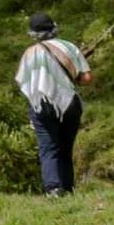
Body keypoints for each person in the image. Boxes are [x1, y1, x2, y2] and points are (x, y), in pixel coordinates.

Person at [14, 13, 92, 195]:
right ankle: (68, 187)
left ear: (32, 34)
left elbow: (22, 81)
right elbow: (87, 78)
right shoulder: (69, 47)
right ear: (53, 28)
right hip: (69, 103)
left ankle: (53, 189)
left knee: (48, 146)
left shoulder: (29, 54)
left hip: (41, 104)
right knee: (66, 147)